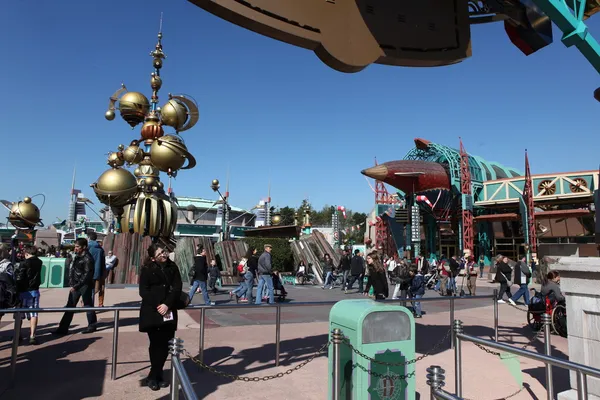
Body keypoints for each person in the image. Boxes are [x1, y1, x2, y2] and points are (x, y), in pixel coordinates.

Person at [139, 244, 183, 391]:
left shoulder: (173, 266)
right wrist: (159, 305)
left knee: (166, 344)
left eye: (164, 252)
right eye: (160, 253)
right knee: (155, 344)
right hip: (152, 311)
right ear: (153, 257)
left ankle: (155, 375)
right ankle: (155, 375)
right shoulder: (147, 269)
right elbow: (143, 291)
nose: (164, 255)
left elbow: (177, 287)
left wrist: (167, 305)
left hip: (168, 310)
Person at [53, 238, 97, 334]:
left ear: (84, 247)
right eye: (75, 246)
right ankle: (63, 328)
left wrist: (76, 286)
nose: (75, 248)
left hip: (84, 285)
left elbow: (87, 275)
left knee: (88, 305)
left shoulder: (87, 258)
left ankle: (92, 325)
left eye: (78, 247)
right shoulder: (78, 256)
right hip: (76, 284)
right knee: (70, 306)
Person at [15, 245, 42, 344]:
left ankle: (18, 335)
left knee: (19, 314)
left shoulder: (24, 263)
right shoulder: (39, 262)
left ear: (26, 253)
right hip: (34, 290)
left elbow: (20, 277)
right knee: (34, 313)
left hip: (23, 291)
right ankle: (32, 336)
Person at [87, 232, 106, 307]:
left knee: (90, 289)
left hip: (89, 271)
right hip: (100, 271)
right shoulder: (100, 248)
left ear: (89, 238)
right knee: (101, 288)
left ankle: (88, 304)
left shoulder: (87, 247)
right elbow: (103, 261)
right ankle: (100, 304)